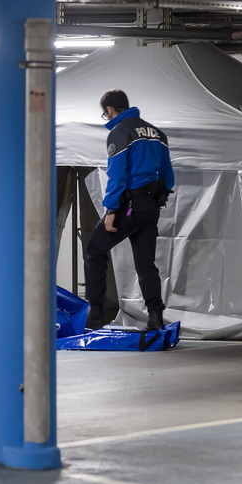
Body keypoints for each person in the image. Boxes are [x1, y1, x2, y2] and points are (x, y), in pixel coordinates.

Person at [84, 89, 174, 330]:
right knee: (146, 264)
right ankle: (155, 316)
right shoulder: (157, 134)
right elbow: (168, 175)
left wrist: (112, 210)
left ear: (111, 109)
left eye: (106, 113)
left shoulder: (120, 132)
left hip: (128, 206)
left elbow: (117, 174)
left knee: (94, 251)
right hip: (150, 206)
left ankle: (94, 315)